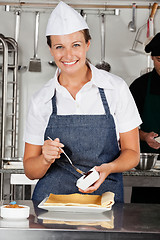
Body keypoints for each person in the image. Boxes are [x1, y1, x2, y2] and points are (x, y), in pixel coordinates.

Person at [23, 1, 141, 203]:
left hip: (105, 199)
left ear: (87, 44)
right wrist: (44, 158)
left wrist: (108, 168)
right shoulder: (41, 99)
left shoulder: (115, 89)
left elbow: (133, 154)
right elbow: (30, 170)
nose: (68, 55)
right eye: (59, 46)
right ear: (51, 49)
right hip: (53, 203)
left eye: (76, 45)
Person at [130, 32, 160, 203]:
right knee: (143, 215)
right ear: (152, 59)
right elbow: (124, 125)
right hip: (147, 162)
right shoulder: (140, 86)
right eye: (159, 59)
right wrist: (144, 136)